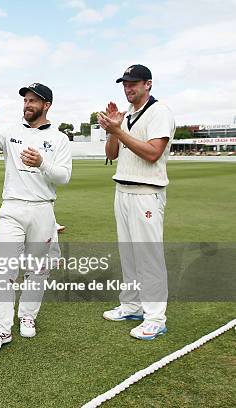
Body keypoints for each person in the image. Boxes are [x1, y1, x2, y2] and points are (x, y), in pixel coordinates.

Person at [0, 83, 72, 351]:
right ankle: (1, 328)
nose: (28, 105)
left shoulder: (60, 138)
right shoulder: (10, 130)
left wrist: (42, 163)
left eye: (33, 101)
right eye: (26, 100)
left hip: (43, 209)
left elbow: (64, 176)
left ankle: (27, 316)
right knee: (4, 268)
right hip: (13, 208)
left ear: (47, 105)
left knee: (37, 269)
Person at [98, 64, 175, 340]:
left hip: (146, 192)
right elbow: (111, 155)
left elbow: (153, 153)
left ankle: (154, 317)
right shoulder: (127, 114)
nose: (128, 89)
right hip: (123, 190)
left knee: (148, 256)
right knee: (128, 254)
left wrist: (118, 131)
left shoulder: (159, 112)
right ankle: (131, 305)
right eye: (125, 84)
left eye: (134, 84)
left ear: (148, 84)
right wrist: (111, 129)